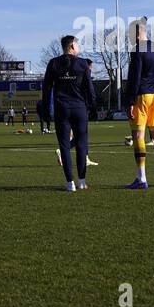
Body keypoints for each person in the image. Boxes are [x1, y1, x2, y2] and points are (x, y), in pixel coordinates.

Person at [42, 34, 96, 191]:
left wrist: (46, 111)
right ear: (72, 46)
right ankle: (82, 181)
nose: (78, 48)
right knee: (81, 145)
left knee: (64, 146)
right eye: (77, 45)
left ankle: (69, 183)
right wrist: (92, 106)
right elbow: (89, 89)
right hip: (79, 108)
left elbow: (46, 89)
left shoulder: (53, 63)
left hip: (62, 109)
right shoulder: (82, 64)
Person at [124, 18, 154, 189]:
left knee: (138, 136)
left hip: (142, 96)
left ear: (137, 32)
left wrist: (129, 101)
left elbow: (134, 78)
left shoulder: (137, 50)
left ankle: (141, 178)